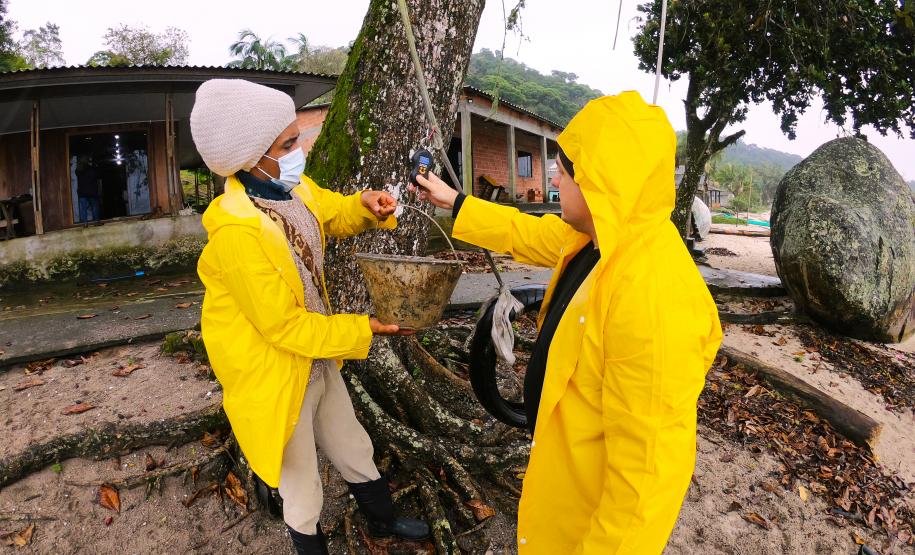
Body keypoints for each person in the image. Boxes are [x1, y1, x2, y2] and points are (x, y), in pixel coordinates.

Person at [414, 91, 722, 554]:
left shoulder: (654, 298)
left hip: (587, 521)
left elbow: (645, 480)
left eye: (565, 170)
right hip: (564, 476)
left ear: (602, 182)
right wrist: (456, 202)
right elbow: (530, 232)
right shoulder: (601, 240)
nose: (555, 177)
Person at [190, 79, 429, 555]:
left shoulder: (289, 188)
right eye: (288, 143)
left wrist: (364, 205)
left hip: (319, 356)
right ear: (252, 156)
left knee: (354, 446)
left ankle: (381, 522)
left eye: (295, 136)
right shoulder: (236, 236)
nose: (299, 149)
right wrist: (365, 328)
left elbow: (328, 213)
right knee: (303, 487)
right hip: (279, 371)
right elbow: (283, 328)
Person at [75, 156, 101, 223]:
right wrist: (95, 166)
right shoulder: (91, 169)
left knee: (83, 208)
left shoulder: (78, 169)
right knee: (94, 207)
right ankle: (96, 222)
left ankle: (85, 223)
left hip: (82, 192)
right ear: (87, 161)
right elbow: (97, 175)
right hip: (92, 191)